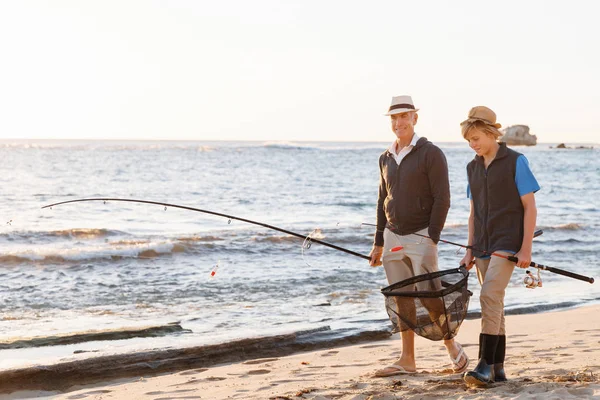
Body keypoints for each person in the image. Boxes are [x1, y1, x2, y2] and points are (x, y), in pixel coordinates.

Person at [369, 95, 469, 377]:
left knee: (429, 295)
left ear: (415, 118)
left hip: (422, 235)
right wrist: (378, 241)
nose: (399, 122)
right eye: (394, 118)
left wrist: (432, 237)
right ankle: (407, 360)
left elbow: (442, 199)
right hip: (392, 237)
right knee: (401, 297)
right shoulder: (385, 157)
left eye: (404, 116)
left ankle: (451, 346)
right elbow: (382, 200)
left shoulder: (431, 153)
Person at [458, 106, 540, 387]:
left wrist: (525, 249)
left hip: (507, 242)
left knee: (489, 296)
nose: (473, 144)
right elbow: (473, 213)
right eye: (469, 140)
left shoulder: (516, 161)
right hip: (481, 243)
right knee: (495, 302)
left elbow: (529, 207)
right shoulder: (472, 167)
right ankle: (498, 368)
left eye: (477, 137)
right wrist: (469, 249)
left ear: (492, 133)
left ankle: (483, 363)